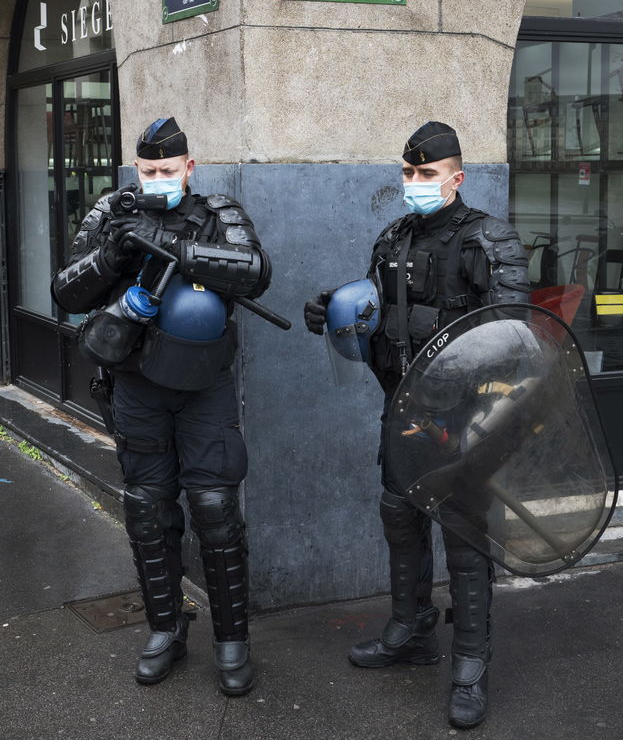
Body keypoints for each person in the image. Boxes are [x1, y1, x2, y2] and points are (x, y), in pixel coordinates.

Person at [304, 121, 530, 729]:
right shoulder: (393, 237)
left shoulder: (490, 240)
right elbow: (377, 308)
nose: (415, 181)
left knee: (465, 535)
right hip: (403, 408)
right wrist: (333, 309)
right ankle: (411, 630)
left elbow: (512, 335)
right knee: (400, 516)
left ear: (457, 178)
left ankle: (471, 664)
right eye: (408, 172)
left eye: (427, 173)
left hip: (466, 417)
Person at [52, 117, 271, 695]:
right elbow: (66, 291)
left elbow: (256, 273)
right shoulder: (110, 213)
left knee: (215, 508)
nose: (157, 179)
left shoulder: (218, 213)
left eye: (167, 169)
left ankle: (232, 640)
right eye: (148, 170)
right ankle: (165, 630)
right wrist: (111, 256)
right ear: (135, 168)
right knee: (148, 508)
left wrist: (174, 246)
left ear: (189, 167)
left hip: (204, 389)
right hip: (136, 384)